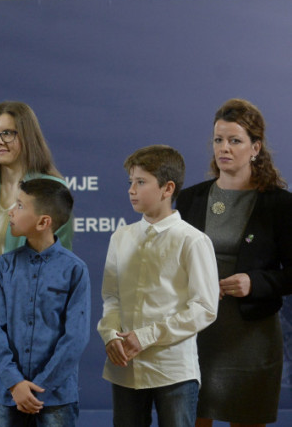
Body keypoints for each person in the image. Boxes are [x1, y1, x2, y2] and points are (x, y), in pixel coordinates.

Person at [0, 101, 72, 426]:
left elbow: (57, 268)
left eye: (8, 133)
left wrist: (15, 326)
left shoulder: (52, 189)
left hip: (35, 341)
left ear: (27, 136)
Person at [176, 99, 292, 427]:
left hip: (251, 338)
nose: (223, 148)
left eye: (234, 140)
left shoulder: (280, 204)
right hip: (195, 334)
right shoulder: (190, 199)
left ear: (255, 148)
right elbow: (172, 263)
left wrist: (255, 282)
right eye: (218, 139)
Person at [98, 145, 219, 427]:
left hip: (173, 369)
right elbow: (112, 297)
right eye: (130, 182)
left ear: (167, 188)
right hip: (125, 368)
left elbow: (204, 308)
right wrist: (110, 335)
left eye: (141, 182)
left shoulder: (193, 240)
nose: (131, 190)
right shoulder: (120, 237)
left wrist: (147, 336)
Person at [0, 178, 90, 426]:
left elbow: (75, 338)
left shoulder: (74, 270)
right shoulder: (4, 266)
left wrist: (39, 388)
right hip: (9, 394)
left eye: (20, 206)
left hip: (56, 398)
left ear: (43, 222)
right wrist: (15, 383)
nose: (11, 211)